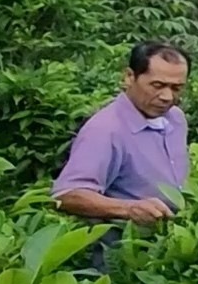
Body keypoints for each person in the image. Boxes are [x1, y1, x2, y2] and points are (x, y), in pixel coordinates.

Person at [52, 41, 190, 225]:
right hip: (124, 248)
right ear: (129, 77)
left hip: (168, 244)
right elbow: (66, 195)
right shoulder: (105, 129)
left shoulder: (175, 118)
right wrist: (127, 209)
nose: (167, 97)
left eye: (176, 88)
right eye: (157, 85)